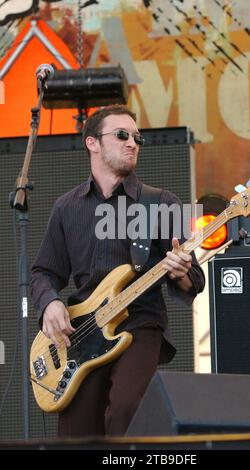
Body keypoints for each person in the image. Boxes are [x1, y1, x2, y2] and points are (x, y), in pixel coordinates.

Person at [30, 104, 205, 438]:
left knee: (127, 409)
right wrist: (50, 303)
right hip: (80, 332)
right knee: (75, 432)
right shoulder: (67, 207)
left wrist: (180, 270)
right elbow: (43, 271)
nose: (132, 143)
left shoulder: (161, 202)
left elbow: (193, 277)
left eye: (136, 137)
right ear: (92, 143)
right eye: (122, 135)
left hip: (140, 322)